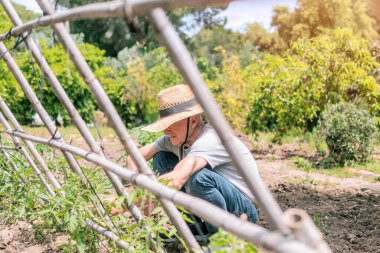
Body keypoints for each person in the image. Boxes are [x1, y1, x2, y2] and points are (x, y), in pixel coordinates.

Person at [127, 84, 259, 236]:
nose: (165, 131)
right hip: (219, 204)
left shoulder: (212, 138)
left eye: (171, 124)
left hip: (242, 211)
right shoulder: (174, 139)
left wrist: (133, 201)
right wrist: (137, 187)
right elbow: (133, 158)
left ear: (194, 120)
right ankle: (193, 229)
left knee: (198, 177)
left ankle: (219, 239)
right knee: (161, 157)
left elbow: (177, 178)